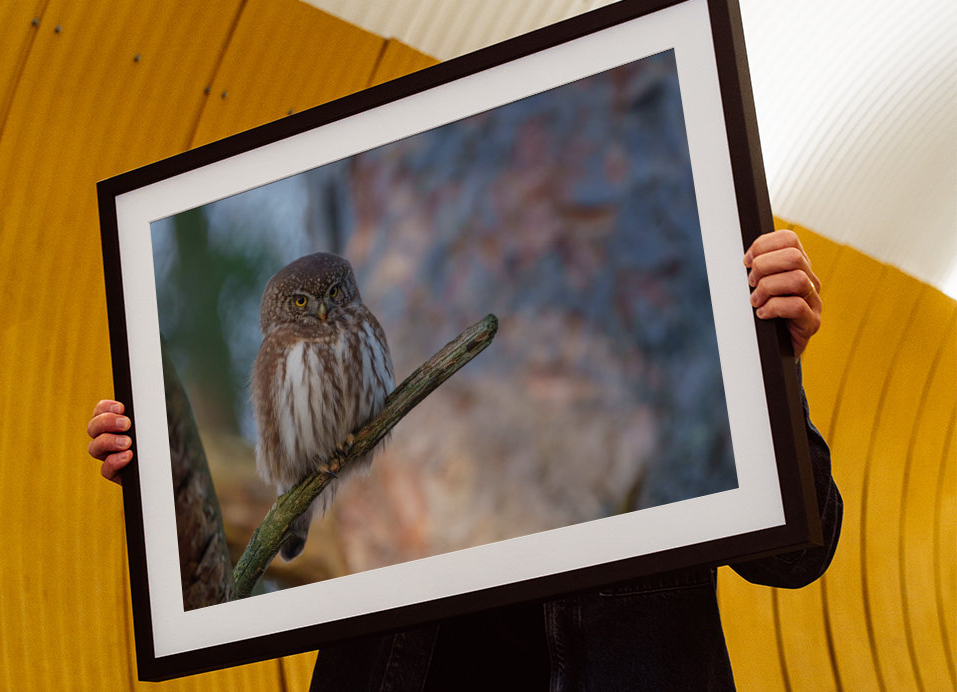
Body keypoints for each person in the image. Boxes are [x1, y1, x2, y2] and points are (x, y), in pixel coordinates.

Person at [88, 230, 841, 690]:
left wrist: (769, 366)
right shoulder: (413, 398)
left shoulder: (663, 391)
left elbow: (799, 552)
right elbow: (272, 540)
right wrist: (166, 477)